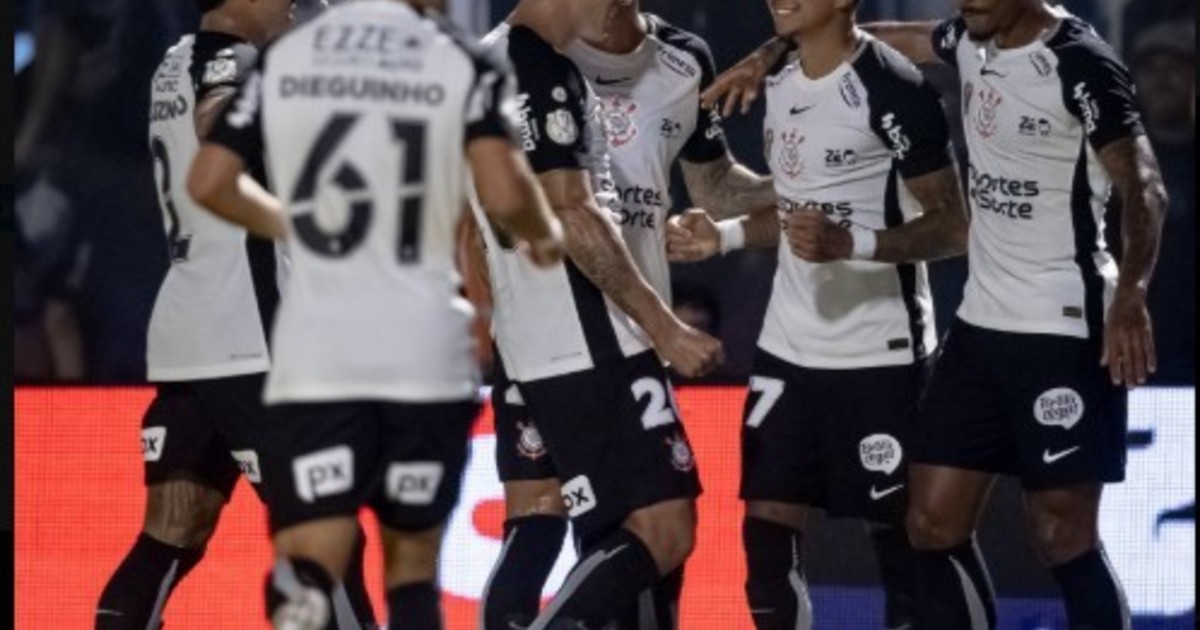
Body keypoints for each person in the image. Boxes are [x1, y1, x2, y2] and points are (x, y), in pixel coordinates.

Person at [704, 1, 1168, 628]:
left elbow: (1144, 185)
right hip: (978, 325)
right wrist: (769, 54)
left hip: (1064, 323)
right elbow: (878, 38)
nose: (965, 3)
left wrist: (1133, 293)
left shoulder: (1081, 63)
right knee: (928, 522)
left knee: (1061, 534)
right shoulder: (973, 36)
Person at [188, 0, 565, 627]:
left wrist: (296, 225)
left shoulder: (290, 57)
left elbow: (210, 181)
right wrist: (545, 233)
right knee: (411, 564)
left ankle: (301, 604)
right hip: (423, 344)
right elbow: (503, 190)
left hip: (319, 347)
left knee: (312, 552)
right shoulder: (458, 60)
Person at [667, 1, 968, 627]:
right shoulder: (777, 82)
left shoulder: (895, 89)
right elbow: (797, 209)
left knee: (906, 547)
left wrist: (852, 243)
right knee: (764, 545)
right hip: (786, 351)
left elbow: (952, 228)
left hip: (880, 354)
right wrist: (722, 237)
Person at [479, 1, 769, 627]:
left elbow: (715, 186)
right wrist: (664, 326)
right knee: (663, 527)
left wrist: (808, 181)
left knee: (538, 517)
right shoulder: (536, 65)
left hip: (540, 336)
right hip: (596, 326)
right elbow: (571, 212)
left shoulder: (677, 58)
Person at [96, 1, 377, 628]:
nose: (295, 6)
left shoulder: (175, 60)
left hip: (190, 334)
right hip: (253, 338)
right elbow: (217, 119)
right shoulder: (234, 59)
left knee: (173, 530)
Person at [1129, 22, 1195, 384]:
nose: (1162, 79)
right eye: (1151, 68)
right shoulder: (1116, 163)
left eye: (1175, 66)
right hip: (1137, 353)